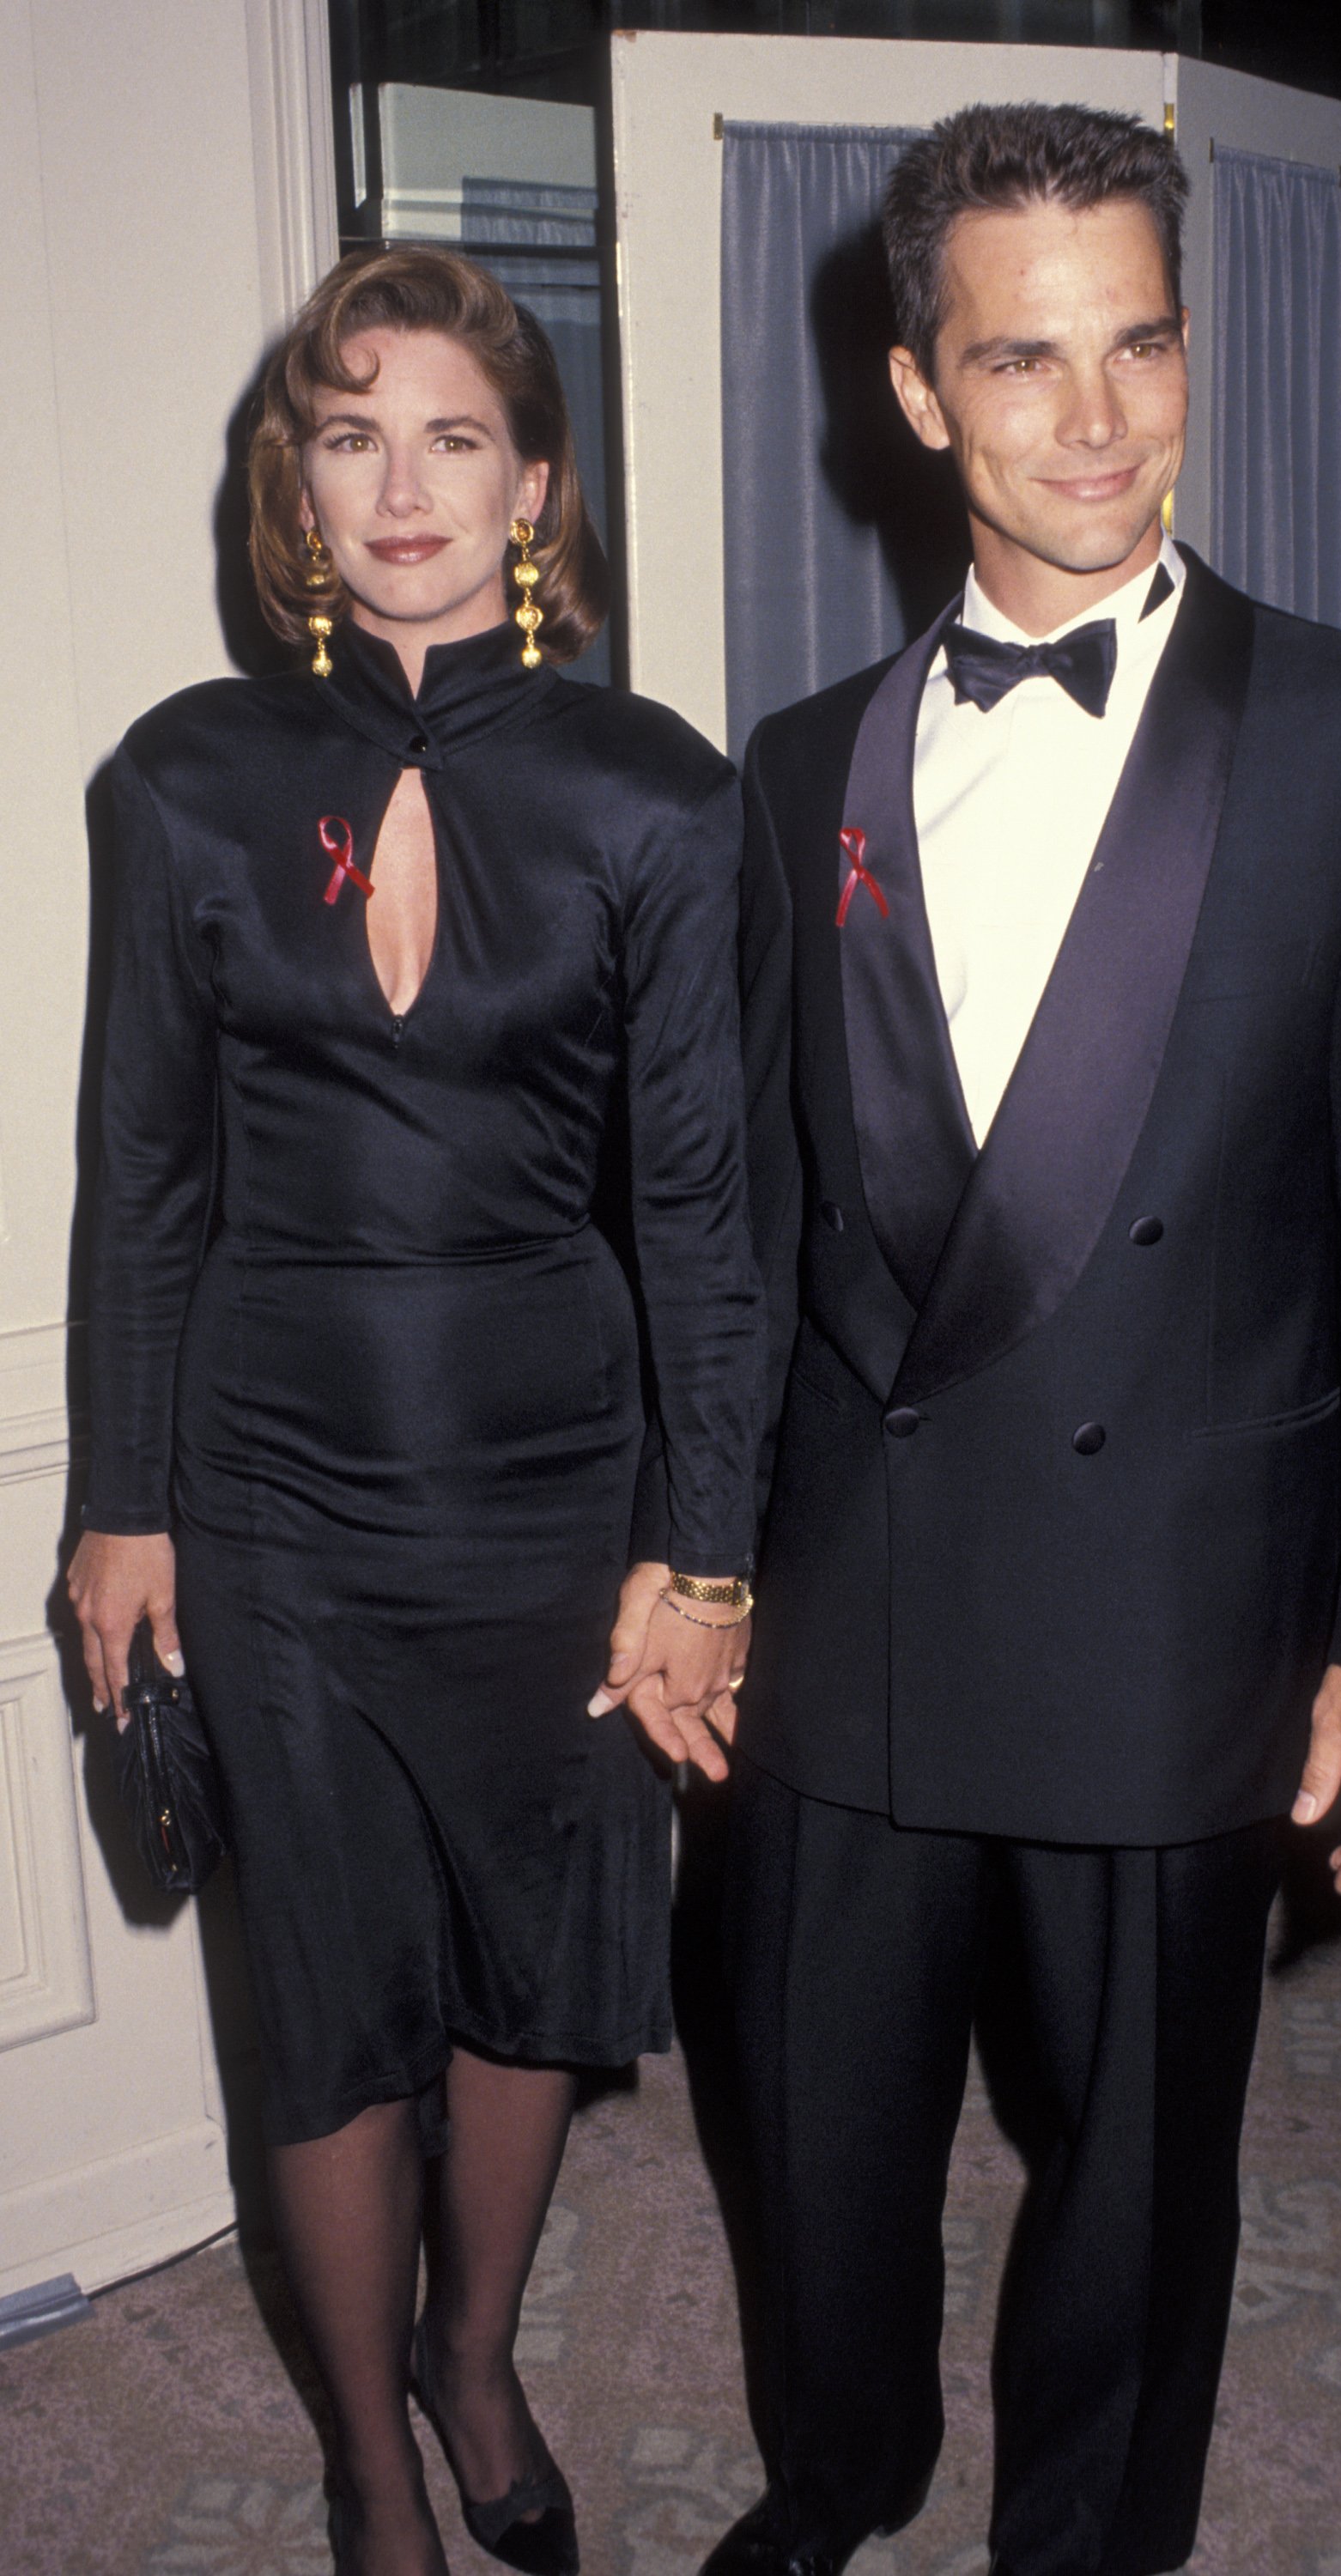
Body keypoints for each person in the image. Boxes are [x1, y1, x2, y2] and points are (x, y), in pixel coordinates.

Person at [709, 104, 1341, 2576]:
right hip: (848, 1613)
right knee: (808, 2142)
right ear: (917, 393)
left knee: (1139, 2181)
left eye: (1141, 344)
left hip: (1174, 1601)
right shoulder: (803, 769)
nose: (1098, 421)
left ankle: (1088, 2545)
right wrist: (693, 1556)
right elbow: (752, 1227)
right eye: (1025, 359)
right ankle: (839, 2477)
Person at [67, 246, 761, 2576]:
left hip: (559, 1500)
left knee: (525, 1965)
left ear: (533, 483)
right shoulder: (179, 779)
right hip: (268, 1499)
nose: (401, 485)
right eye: (350, 433)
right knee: (328, 1994)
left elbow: (703, 1218)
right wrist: (122, 1500)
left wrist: (707, 1550)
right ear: (299, 481)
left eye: (453, 434)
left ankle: (480, 2356)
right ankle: (375, 2460)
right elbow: (140, 1180)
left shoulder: (659, 799)